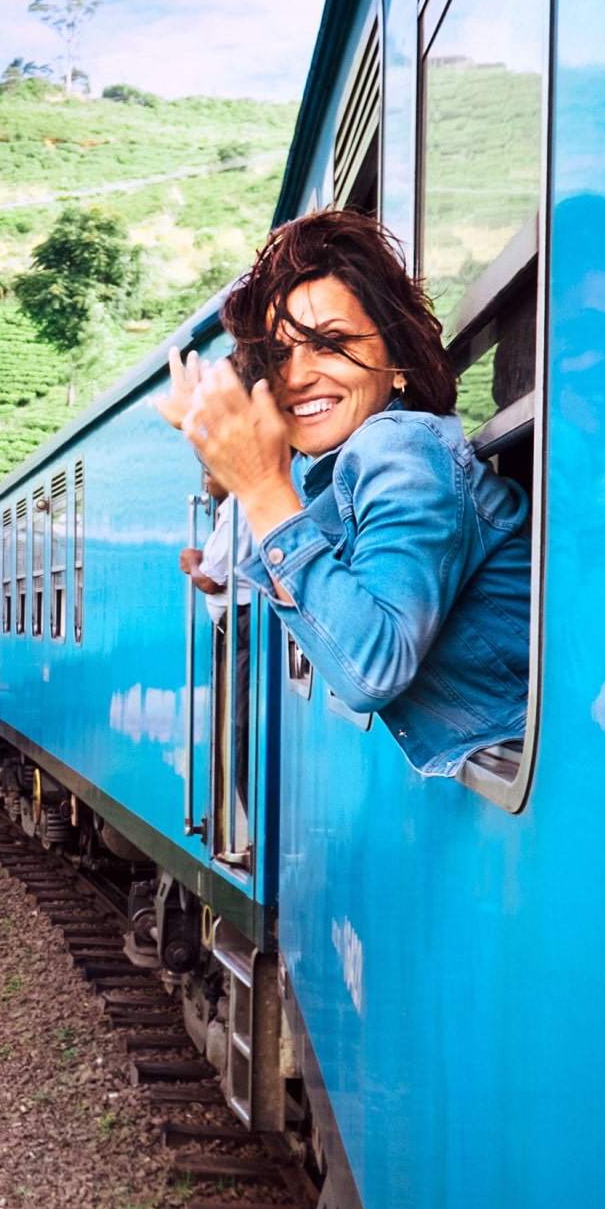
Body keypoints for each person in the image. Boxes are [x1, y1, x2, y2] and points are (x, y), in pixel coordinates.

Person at [157, 209, 531, 777]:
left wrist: (259, 487)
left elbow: (371, 669)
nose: (298, 376)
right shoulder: (341, 471)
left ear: (398, 362)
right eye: (281, 355)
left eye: (329, 343)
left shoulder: (398, 446)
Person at [179, 470, 253, 851]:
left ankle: (254, 828)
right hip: (237, 627)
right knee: (237, 728)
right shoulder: (230, 509)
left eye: (208, 472)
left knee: (239, 731)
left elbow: (212, 578)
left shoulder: (239, 507)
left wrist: (193, 563)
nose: (203, 480)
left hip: (242, 629)